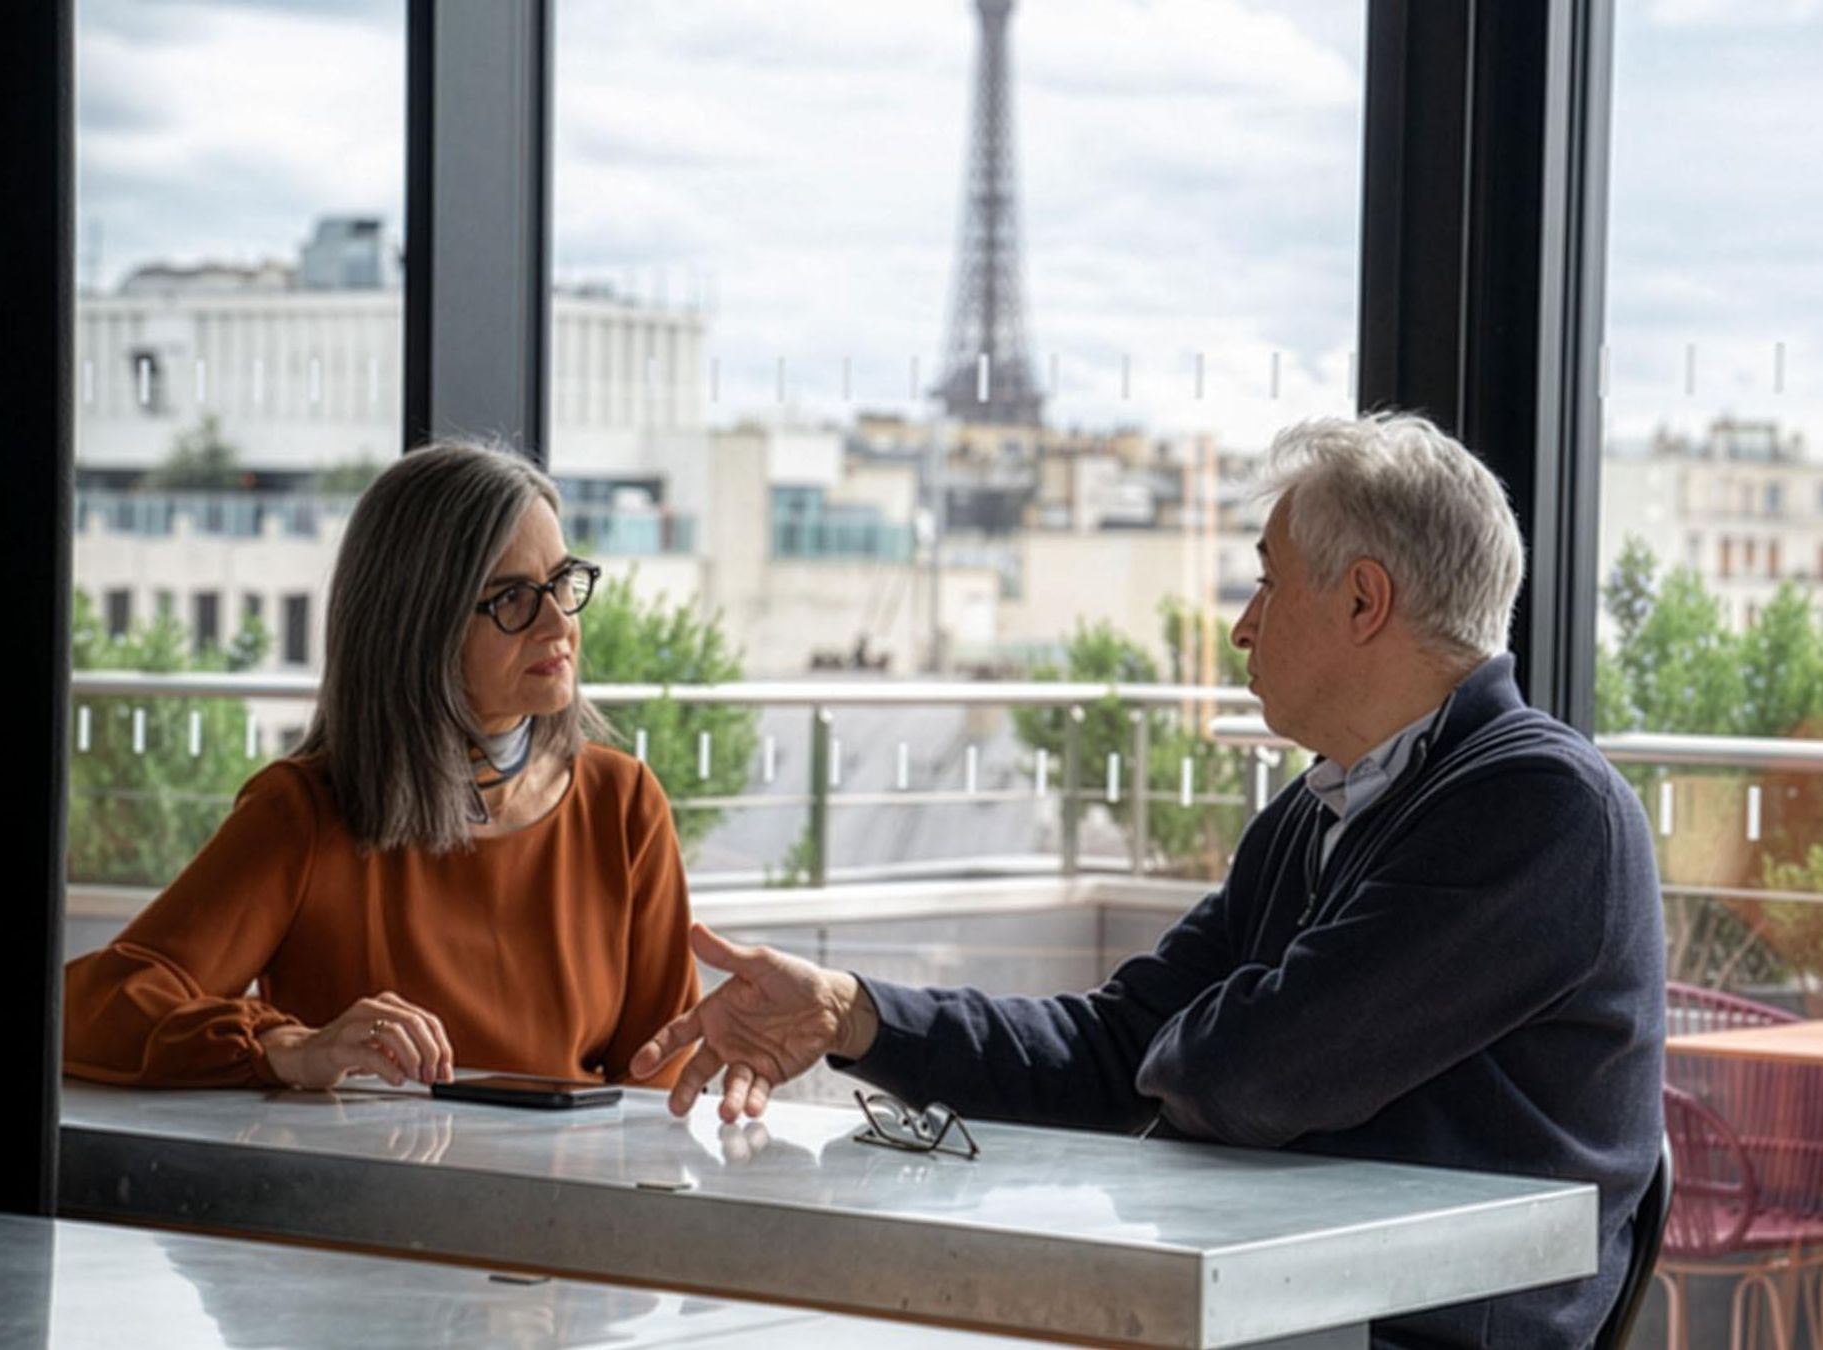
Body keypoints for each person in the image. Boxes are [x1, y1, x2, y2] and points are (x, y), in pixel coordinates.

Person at [634, 412, 1665, 1349]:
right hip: (1279, 1312)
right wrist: (854, 1016)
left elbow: (1251, 1076)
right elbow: (1118, 1051)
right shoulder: (1317, 817)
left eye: (1266, 580)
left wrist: (1182, 1053)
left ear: (1362, 599)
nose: (1242, 625)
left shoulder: (1541, 807)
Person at [65, 442, 699, 1092]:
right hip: (368, 1186)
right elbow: (90, 1007)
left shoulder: (624, 804)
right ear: (418, 623)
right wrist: (285, 1045)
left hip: (575, 1187)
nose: (559, 622)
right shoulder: (304, 814)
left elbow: (662, 1076)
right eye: (511, 599)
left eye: (563, 583)